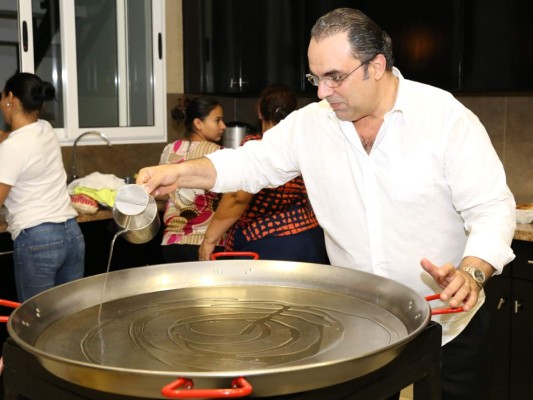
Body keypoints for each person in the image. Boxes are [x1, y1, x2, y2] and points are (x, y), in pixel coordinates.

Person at [137, 8, 516, 399]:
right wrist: (179, 174)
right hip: (364, 327)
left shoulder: (445, 119)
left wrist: (473, 272)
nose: (321, 91)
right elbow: (249, 163)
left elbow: (491, 207)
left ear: (376, 66)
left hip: (449, 323)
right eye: (315, 78)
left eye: (335, 77)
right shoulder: (312, 124)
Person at [198, 84, 328, 263]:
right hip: (311, 239)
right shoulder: (305, 146)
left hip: (268, 244)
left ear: (260, 112)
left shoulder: (257, 146)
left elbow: (237, 197)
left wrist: (209, 239)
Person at [0, 72, 85, 302]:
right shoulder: (45, 128)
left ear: (10, 98)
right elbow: (14, 138)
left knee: (35, 325)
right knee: (68, 318)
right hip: (71, 235)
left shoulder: (12, 148)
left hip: (38, 240)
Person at [158, 96, 226, 263]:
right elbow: (230, 199)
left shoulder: (170, 150)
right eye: (217, 120)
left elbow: (162, 192)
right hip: (206, 244)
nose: (223, 126)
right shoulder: (218, 154)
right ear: (198, 123)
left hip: (171, 243)